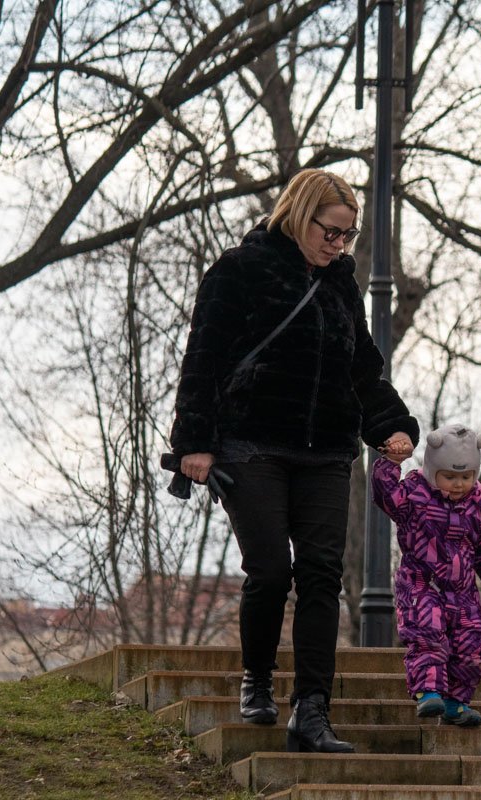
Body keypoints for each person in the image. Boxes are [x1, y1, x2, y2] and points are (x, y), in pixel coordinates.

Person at [170, 168, 419, 753]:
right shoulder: (239, 271)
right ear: (298, 214)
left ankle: (312, 710)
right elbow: (202, 361)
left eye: (348, 236)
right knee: (270, 570)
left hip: (327, 452)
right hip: (252, 445)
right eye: (331, 232)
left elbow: (361, 368)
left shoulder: (340, 287)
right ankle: (257, 678)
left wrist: (390, 427)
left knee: (321, 577)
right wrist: (193, 443)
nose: (339, 245)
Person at [370, 424, 481, 728]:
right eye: (449, 477)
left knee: (470, 646)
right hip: (421, 582)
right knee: (427, 632)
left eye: (465, 477)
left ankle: (455, 704)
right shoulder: (415, 494)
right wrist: (390, 464)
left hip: (462, 591)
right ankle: (428, 691)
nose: (458, 484)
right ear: (432, 471)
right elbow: (386, 495)